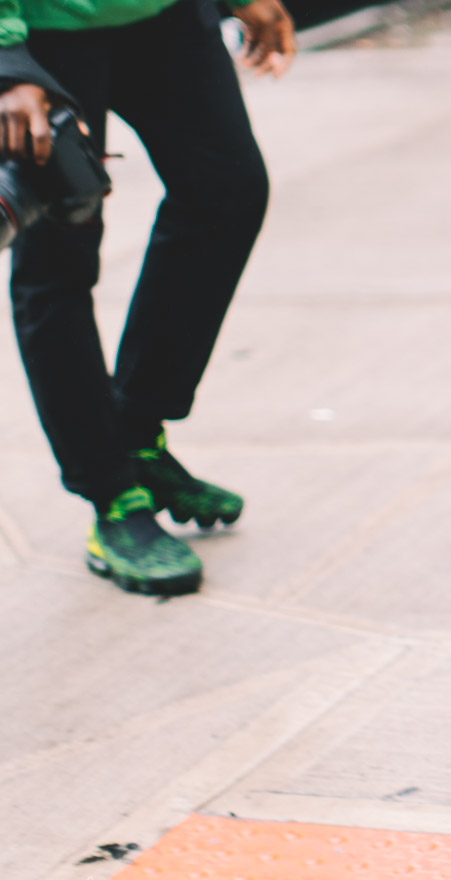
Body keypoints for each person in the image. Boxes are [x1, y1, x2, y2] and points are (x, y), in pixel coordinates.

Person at [0, 0, 295, 595]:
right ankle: (112, 491)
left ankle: (135, 431)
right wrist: (6, 57)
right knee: (58, 255)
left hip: (166, 15)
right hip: (46, 30)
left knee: (228, 193)